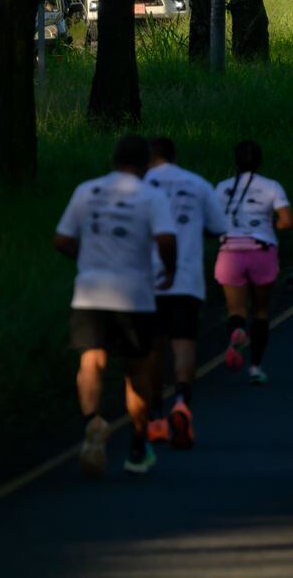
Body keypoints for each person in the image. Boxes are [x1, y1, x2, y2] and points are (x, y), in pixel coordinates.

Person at [55, 135, 176, 477]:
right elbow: (166, 239)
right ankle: (138, 447)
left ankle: (92, 423)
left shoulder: (86, 190)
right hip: (134, 292)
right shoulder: (151, 196)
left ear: (113, 159)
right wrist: (169, 269)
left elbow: (62, 239)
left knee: (91, 360)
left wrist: (86, 260)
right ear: (144, 164)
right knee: (136, 370)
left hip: (90, 291)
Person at [143, 137, 226, 453]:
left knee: (153, 348)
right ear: (174, 156)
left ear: (149, 158)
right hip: (186, 277)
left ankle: (154, 414)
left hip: (148, 280)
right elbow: (220, 227)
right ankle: (181, 401)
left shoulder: (139, 187)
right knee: (184, 344)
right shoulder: (198, 184)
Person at [213, 141, 293, 384]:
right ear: (259, 161)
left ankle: (237, 331)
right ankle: (256, 367)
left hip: (230, 251)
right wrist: (273, 226)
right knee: (260, 312)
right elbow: (287, 220)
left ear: (235, 161)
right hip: (261, 250)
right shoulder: (271, 187)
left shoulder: (222, 187)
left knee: (236, 310)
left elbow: (214, 220)